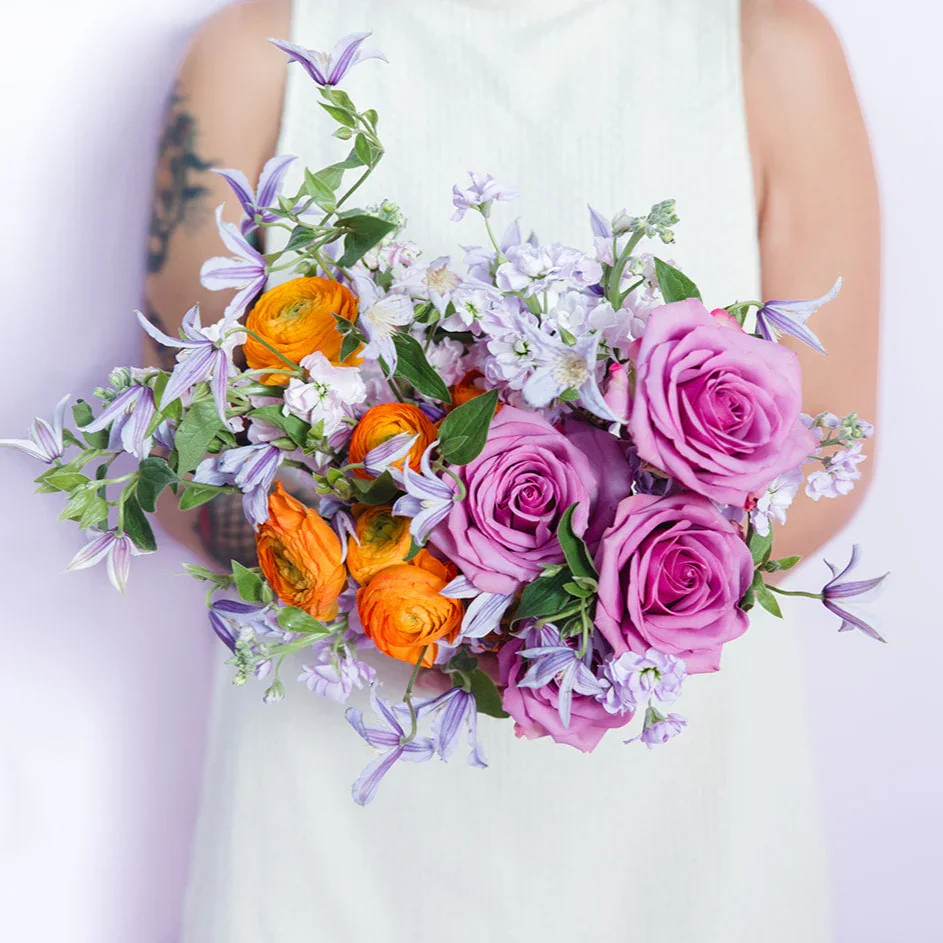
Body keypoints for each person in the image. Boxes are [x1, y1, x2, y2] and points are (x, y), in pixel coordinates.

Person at [144, 1, 880, 940]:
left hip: (676, 819)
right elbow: (176, 450)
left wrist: (590, 615)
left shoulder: (768, 48)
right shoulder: (258, 53)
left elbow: (828, 446)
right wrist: (387, 594)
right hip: (329, 820)